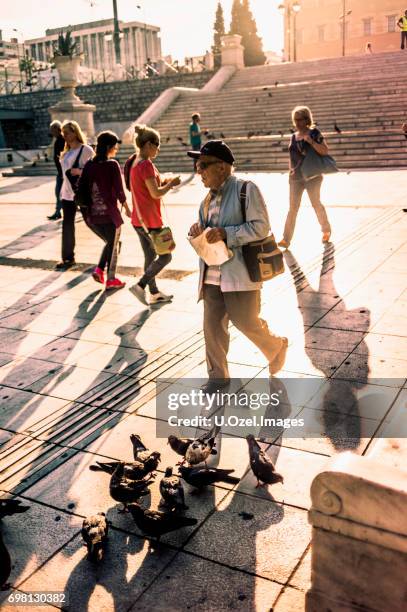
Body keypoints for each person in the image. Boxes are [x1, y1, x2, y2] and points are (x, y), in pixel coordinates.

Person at [187, 140, 288, 395]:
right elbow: (205, 230)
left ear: (222, 167)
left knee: (246, 321)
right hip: (211, 274)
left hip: (239, 273)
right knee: (212, 328)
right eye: (197, 167)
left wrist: (226, 234)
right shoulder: (205, 201)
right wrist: (197, 230)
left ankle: (276, 346)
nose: (199, 172)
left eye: (203, 166)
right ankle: (218, 377)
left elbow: (260, 227)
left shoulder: (246, 189)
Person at [129, 124, 181, 305]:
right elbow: (156, 193)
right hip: (150, 221)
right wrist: (171, 183)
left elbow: (146, 187)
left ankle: (154, 293)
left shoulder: (135, 162)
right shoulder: (147, 165)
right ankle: (140, 286)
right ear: (148, 144)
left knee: (150, 257)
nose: (158, 148)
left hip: (139, 219)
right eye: (157, 144)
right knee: (166, 256)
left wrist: (163, 181)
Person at [78, 131, 131, 290]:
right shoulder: (112, 165)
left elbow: (82, 187)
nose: (116, 149)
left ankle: (100, 270)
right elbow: (119, 190)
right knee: (114, 245)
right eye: (115, 146)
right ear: (109, 147)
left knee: (112, 243)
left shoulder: (89, 164)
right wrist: (127, 209)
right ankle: (111, 279)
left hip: (92, 216)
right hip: (110, 215)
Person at [278, 106, 331, 249]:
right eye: (295, 120)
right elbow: (292, 156)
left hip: (312, 176)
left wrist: (312, 142)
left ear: (307, 119)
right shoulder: (293, 136)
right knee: (292, 208)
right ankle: (286, 239)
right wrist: (290, 170)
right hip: (296, 178)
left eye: (300, 120)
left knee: (316, 203)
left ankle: (326, 230)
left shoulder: (314, 133)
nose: (297, 123)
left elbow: (325, 150)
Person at [56, 120, 94, 270]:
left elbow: (93, 171)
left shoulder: (86, 150)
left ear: (75, 132)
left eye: (67, 132)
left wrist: (80, 171)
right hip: (67, 194)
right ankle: (67, 258)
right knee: (67, 225)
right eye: (63, 133)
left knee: (91, 221)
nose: (64, 135)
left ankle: (111, 242)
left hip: (81, 193)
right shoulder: (66, 152)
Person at [47, 120, 65, 221]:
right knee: (60, 192)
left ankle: (58, 212)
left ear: (57, 129)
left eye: (52, 130)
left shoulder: (62, 140)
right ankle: (58, 211)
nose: (51, 132)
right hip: (61, 172)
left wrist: (62, 172)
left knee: (58, 192)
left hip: (63, 172)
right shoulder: (59, 140)